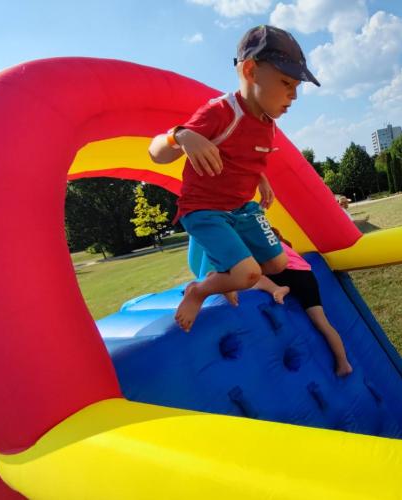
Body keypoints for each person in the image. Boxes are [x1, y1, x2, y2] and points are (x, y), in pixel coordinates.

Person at [147, 25, 320, 332]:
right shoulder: (221, 112)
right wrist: (181, 136)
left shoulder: (267, 121)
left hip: (241, 208)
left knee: (278, 265)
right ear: (251, 71)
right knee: (248, 275)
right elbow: (155, 153)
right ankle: (198, 291)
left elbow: (249, 156)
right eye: (286, 83)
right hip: (205, 210)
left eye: (297, 86)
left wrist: (260, 179)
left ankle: (223, 276)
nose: (293, 95)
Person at [253, 228, 353, 376]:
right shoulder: (281, 244)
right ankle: (344, 363)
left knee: (251, 277)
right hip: (307, 276)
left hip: (289, 276)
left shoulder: (263, 246)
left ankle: (277, 289)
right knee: (322, 322)